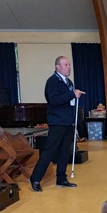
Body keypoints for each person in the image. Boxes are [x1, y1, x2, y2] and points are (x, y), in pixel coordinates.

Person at [30, 56, 85, 192]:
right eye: (66, 65)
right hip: (57, 122)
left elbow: (70, 104)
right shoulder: (53, 81)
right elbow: (54, 100)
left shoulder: (68, 82)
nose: (69, 67)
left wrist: (73, 120)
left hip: (68, 122)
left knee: (65, 151)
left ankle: (61, 178)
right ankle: (35, 178)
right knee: (50, 151)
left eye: (69, 65)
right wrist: (72, 94)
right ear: (58, 67)